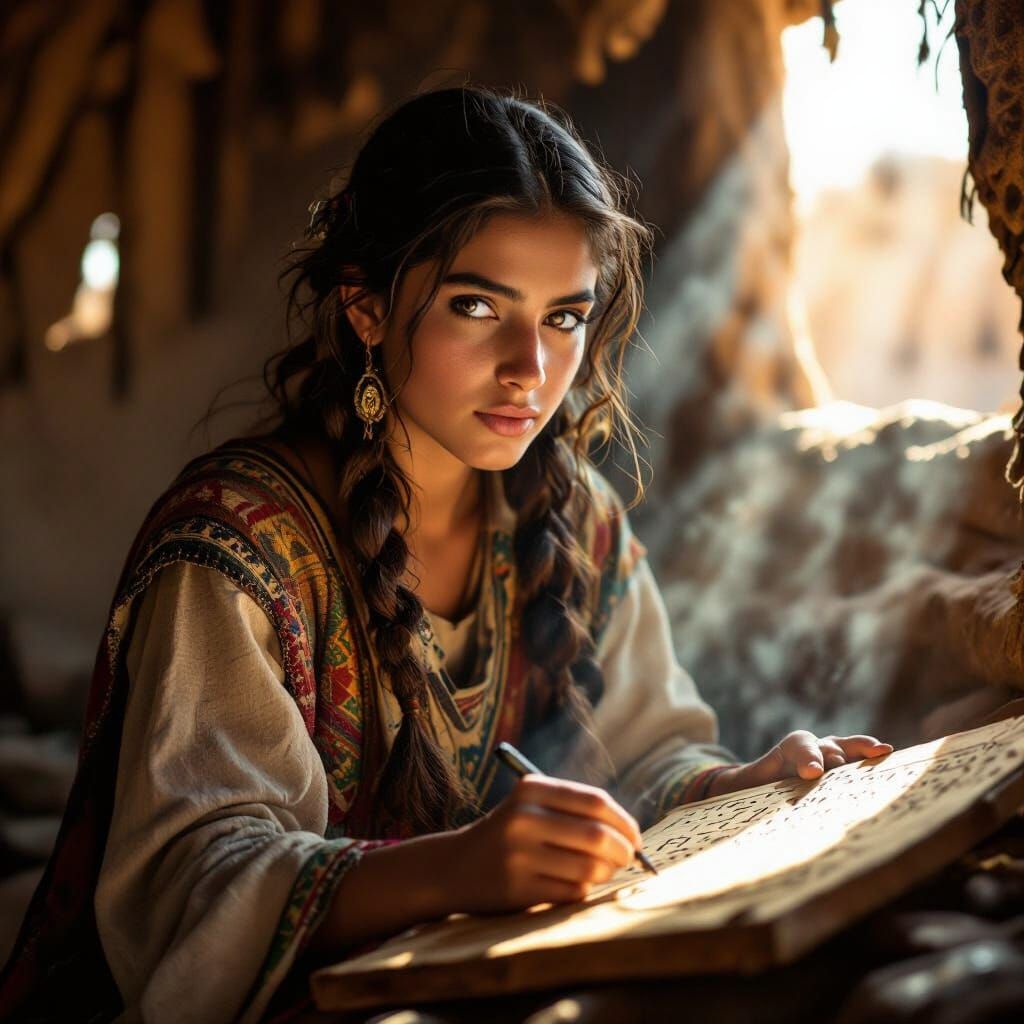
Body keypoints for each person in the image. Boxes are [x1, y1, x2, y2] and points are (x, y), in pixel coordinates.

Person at [0, 84, 891, 1023]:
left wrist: (731, 787)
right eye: (476, 306)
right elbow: (191, 893)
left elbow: (646, 754)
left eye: (564, 317)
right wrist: (455, 869)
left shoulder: (570, 518)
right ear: (366, 306)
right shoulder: (235, 551)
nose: (530, 369)